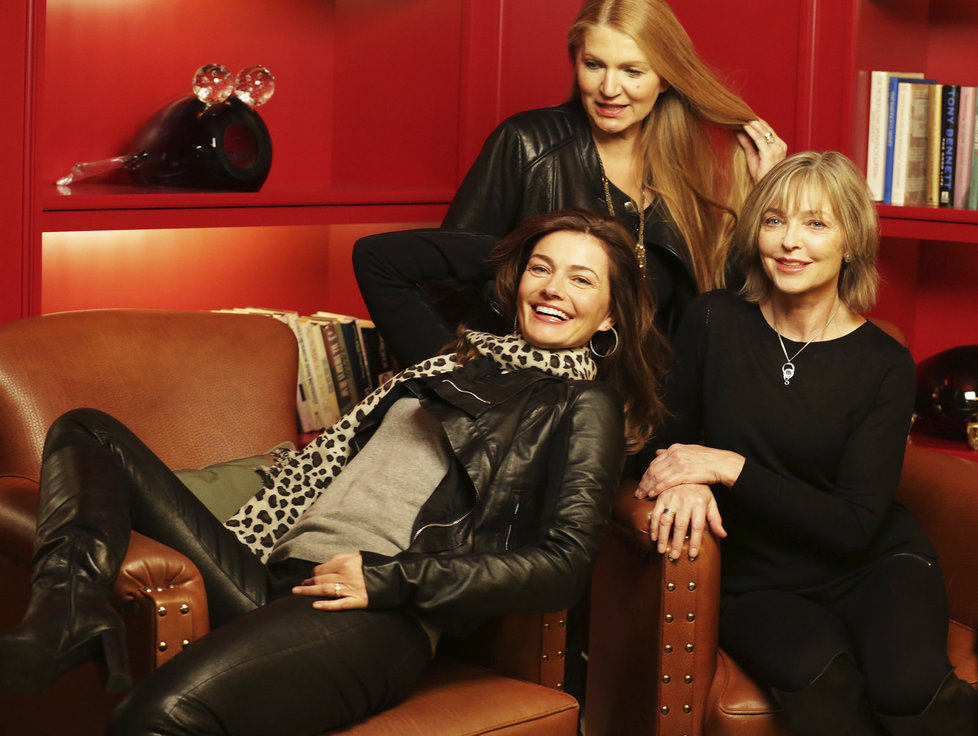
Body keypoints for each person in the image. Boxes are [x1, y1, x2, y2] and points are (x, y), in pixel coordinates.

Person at [0, 209, 668, 736]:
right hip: (270, 572)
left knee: (154, 716)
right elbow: (382, 258)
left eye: (582, 280)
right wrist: (529, 252)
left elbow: (563, 564)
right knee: (87, 429)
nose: (553, 289)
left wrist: (387, 580)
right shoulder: (451, 360)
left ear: (612, 313)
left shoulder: (582, 405)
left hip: (374, 611)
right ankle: (68, 614)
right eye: (540, 271)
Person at [632, 151, 976, 734]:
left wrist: (730, 467)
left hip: (873, 565)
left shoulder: (884, 364)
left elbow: (854, 525)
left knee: (909, 691)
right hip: (757, 578)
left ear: (851, 242)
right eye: (774, 221)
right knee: (827, 686)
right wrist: (683, 478)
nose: (790, 241)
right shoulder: (714, 320)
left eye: (816, 223)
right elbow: (657, 444)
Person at [353, 0, 787, 367]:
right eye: (594, 65)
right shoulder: (526, 143)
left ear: (666, 78)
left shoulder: (688, 169)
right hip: (532, 398)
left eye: (632, 71)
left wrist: (764, 193)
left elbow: (714, 304)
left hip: (644, 409)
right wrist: (499, 376)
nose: (609, 88)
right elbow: (443, 284)